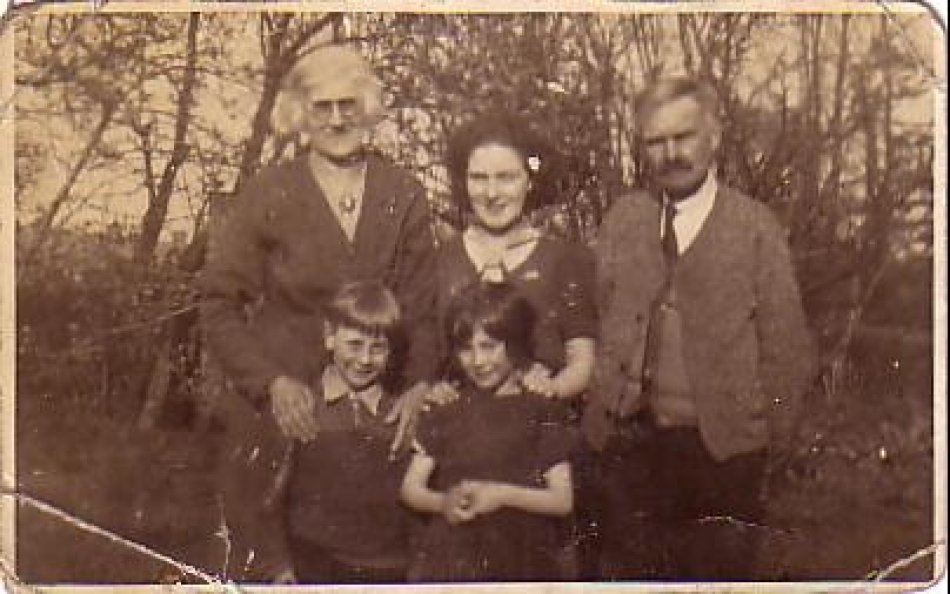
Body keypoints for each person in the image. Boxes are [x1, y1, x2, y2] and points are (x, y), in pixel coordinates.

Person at [199, 44, 438, 582]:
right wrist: (270, 383)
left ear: (369, 109)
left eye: (348, 105)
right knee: (272, 564)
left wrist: (420, 385)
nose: (336, 119)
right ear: (300, 115)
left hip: (374, 402)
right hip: (282, 407)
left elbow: (424, 309)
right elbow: (219, 304)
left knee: (373, 559)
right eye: (322, 107)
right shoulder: (270, 190)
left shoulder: (403, 192)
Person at [581, 76, 816, 580]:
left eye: (683, 136)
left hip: (723, 457)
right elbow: (604, 314)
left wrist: (764, 447)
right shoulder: (624, 220)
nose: (670, 153)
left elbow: (787, 351)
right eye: (655, 141)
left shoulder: (755, 229)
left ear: (714, 136)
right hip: (631, 449)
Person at [401, 282, 576, 581]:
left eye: (489, 346)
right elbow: (410, 489)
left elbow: (562, 500)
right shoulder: (446, 407)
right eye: (466, 349)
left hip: (521, 558)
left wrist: (501, 495)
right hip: (452, 559)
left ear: (516, 343)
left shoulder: (541, 409)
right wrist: (443, 502)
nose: (478, 361)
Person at [436, 110, 596, 401]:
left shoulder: (563, 259)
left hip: (540, 421)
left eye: (506, 178)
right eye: (479, 178)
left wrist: (552, 389)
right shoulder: (443, 261)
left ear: (530, 181)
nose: (492, 193)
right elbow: (430, 358)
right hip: (461, 425)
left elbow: (582, 360)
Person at [281, 280, 416, 584]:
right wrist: (277, 564)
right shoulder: (304, 406)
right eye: (354, 345)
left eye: (378, 348)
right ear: (330, 338)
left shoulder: (399, 414)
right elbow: (270, 499)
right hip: (310, 564)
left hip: (384, 568)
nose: (365, 359)